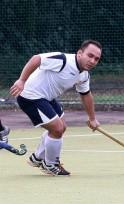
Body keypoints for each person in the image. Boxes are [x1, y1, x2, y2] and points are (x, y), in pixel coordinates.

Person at [10, 40, 102, 176]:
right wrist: (22, 80)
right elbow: (36, 59)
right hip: (30, 96)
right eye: (90, 55)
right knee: (57, 128)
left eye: (96, 59)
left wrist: (92, 118)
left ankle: (37, 158)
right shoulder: (63, 60)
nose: (93, 61)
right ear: (80, 53)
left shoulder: (83, 75)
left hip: (46, 98)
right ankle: (51, 164)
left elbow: (86, 95)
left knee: (62, 127)